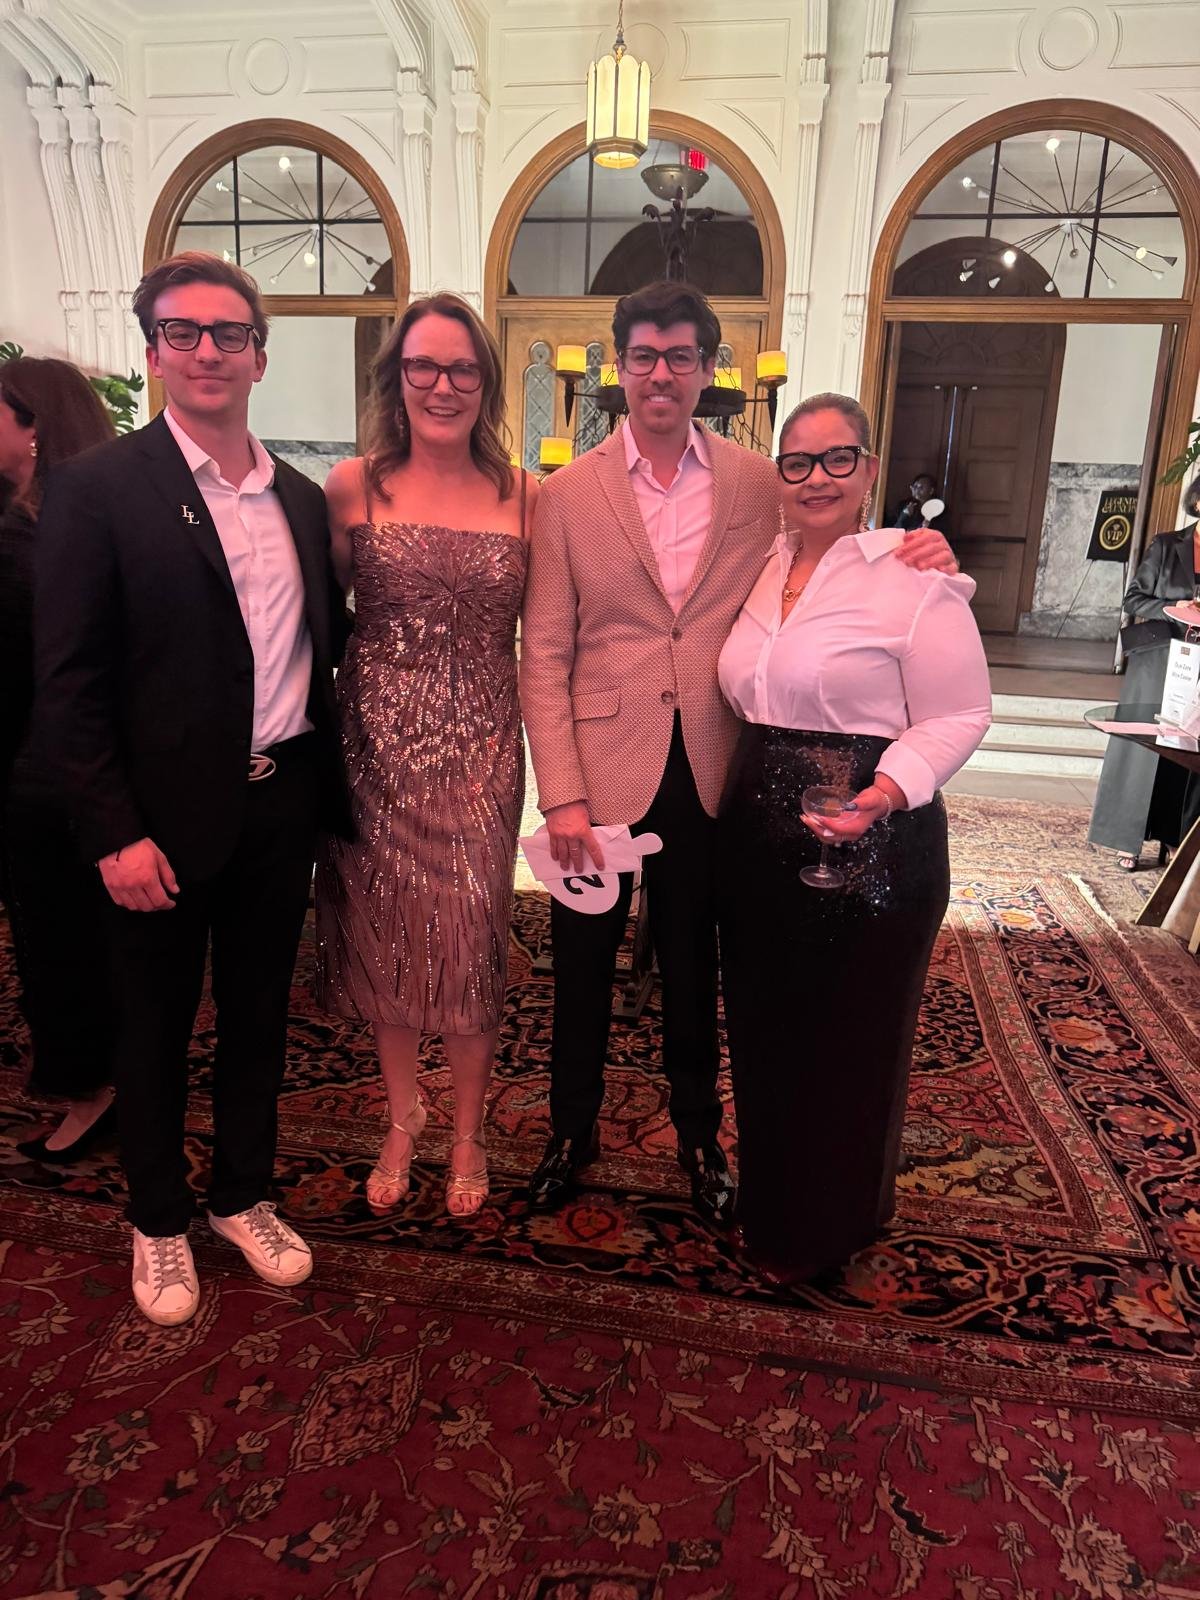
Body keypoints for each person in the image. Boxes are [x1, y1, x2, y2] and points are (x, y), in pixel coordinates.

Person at [519, 281, 958, 1226]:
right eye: (643, 357)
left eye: (682, 356)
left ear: (710, 370)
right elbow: (545, 651)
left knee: (694, 966)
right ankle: (570, 1130)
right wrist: (558, 798)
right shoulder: (564, 494)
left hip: (717, 772)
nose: (662, 374)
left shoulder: (766, 481)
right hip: (595, 774)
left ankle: (696, 1138)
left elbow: (833, 548)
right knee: (581, 967)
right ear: (617, 369)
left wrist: (918, 549)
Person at [34, 251, 350, 1327]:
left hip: (280, 803)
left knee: (261, 1014)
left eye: (229, 333)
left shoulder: (304, 499)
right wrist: (112, 832)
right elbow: (68, 684)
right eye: (183, 333)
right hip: (155, 823)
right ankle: (158, 1217)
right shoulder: (97, 490)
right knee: (155, 1022)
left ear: (261, 353)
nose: (208, 351)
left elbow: (322, 647)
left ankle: (240, 1195)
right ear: (154, 350)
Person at [716, 393, 991, 1284]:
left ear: (870, 470)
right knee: (765, 1024)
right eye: (798, 462)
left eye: (840, 459)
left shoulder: (914, 576)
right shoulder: (761, 566)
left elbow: (962, 712)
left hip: (877, 835)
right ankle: (774, 1208)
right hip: (758, 829)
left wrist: (883, 793)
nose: (818, 477)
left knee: (853, 1033)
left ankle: (830, 1227)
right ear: (778, 479)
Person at [315, 294, 534, 1218]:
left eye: (462, 369)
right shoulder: (349, 486)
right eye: (424, 367)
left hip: (484, 747)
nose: (443, 386)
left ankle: (472, 1130)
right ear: (395, 376)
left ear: (486, 383)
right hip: (375, 745)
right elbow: (324, 618)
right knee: (389, 936)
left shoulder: (528, 493)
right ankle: (403, 1118)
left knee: (471, 940)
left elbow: (559, 628)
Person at [0, 357, 117, 1161]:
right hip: (68, 765)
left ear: (33, 427)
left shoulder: (27, 541)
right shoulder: (72, 524)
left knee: (57, 940)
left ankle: (91, 1088)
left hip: (45, 771)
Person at [1088, 472, 1200, 870]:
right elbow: (1133, 598)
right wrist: (1175, 608)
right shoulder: (1169, 545)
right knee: (1142, 751)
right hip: (1157, 662)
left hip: (1198, 668)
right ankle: (1127, 840)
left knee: (1186, 756)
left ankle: (1175, 840)